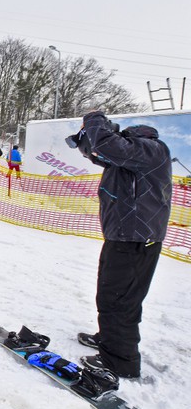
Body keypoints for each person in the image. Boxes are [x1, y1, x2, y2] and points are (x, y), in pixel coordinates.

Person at [67, 111, 172, 380]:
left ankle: (119, 361)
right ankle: (110, 340)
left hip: (135, 238)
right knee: (111, 294)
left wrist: (94, 119)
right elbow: (100, 153)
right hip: (125, 236)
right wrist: (85, 140)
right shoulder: (133, 158)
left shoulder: (151, 149)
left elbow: (106, 145)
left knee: (119, 299)